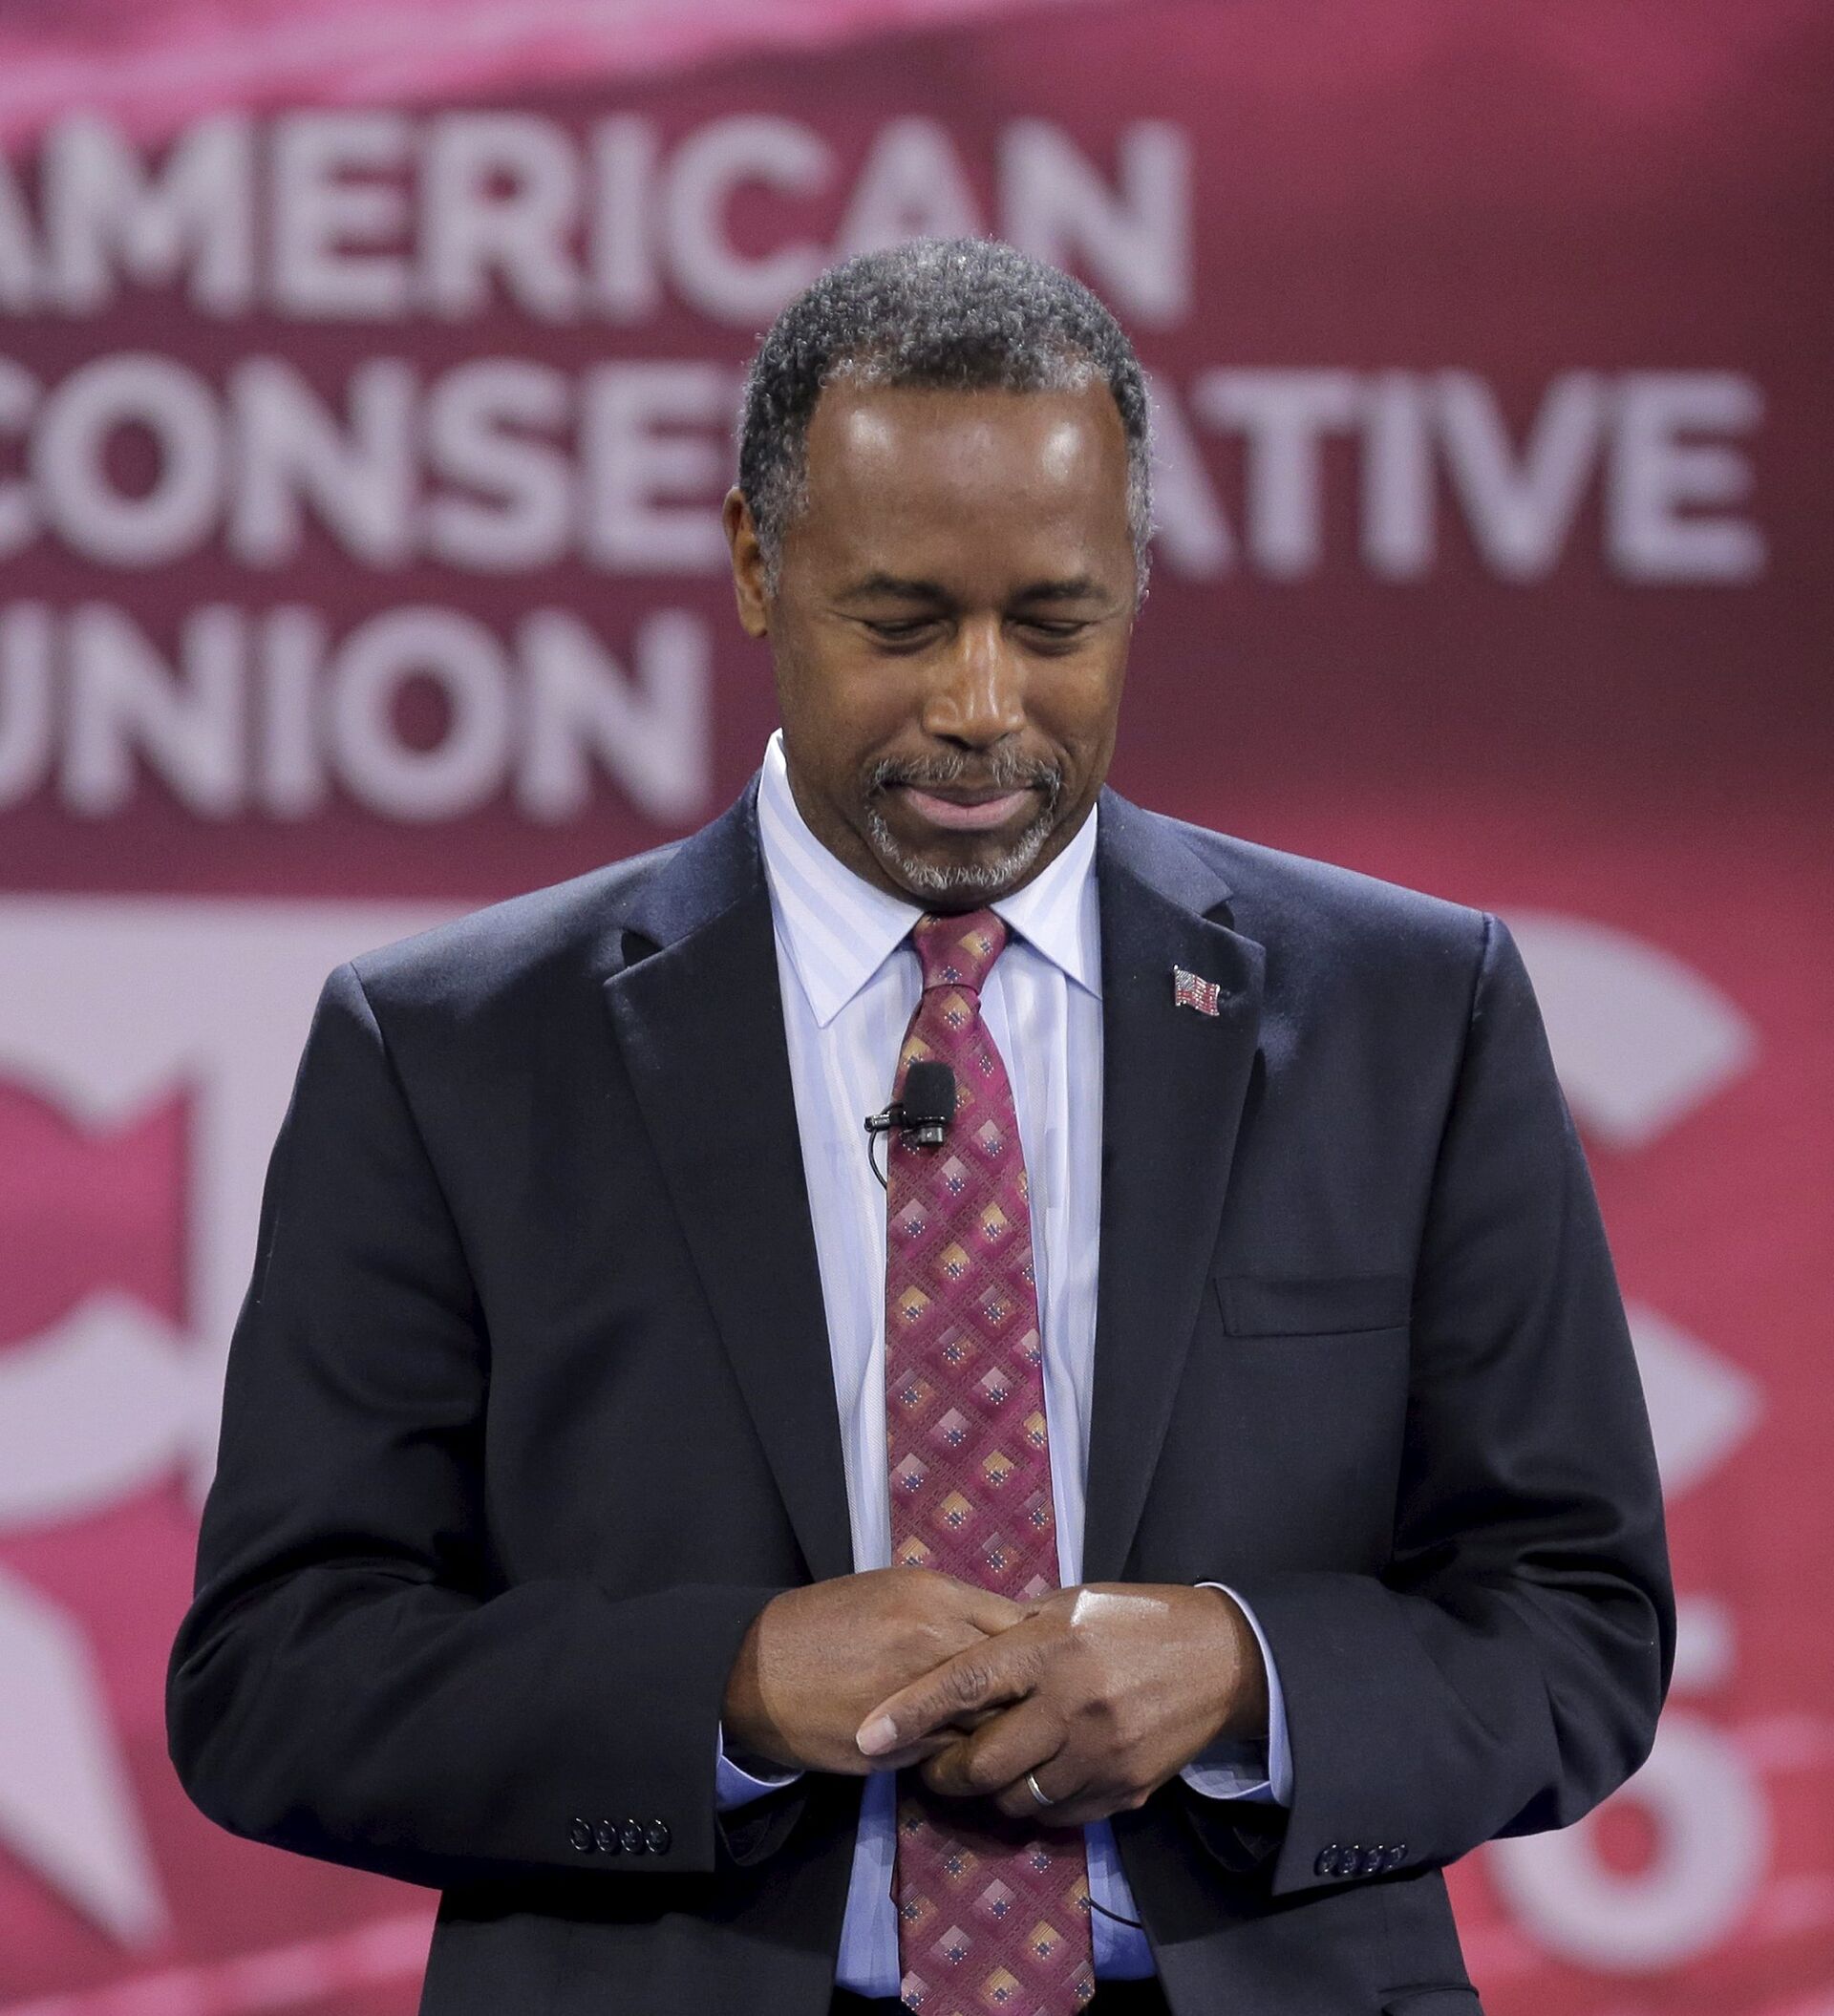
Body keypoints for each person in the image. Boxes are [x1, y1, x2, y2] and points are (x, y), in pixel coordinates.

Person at [167, 239, 1674, 2016]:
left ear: (1137, 579)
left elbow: (1579, 1620)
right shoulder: (453, 1052)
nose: (978, 706)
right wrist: (725, 1691)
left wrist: (1247, 1676)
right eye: (899, 623)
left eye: (1055, 624)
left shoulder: (1409, 1014)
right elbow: (276, 1675)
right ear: (756, 563)